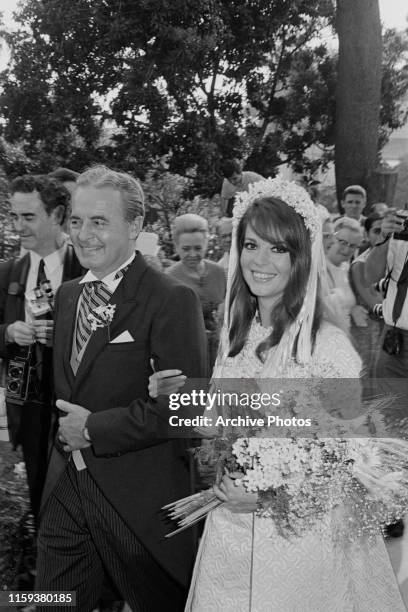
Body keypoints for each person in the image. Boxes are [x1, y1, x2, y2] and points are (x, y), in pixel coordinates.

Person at [150, 178, 405, 611]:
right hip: (230, 531)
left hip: (300, 546)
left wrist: (270, 493)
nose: (260, 261)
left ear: (301, 258)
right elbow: (216, 424)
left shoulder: (327, 347)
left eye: (278, 248)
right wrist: (175, 396)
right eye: (251, 246)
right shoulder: (238, 335)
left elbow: (352, 466)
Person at [35, 166, 208, 611]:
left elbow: (185, 411)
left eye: (99, 221)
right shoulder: (69, 295)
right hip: (65, 487)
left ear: (134, 226)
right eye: (76, 221)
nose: (83, 234)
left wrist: (94, 429)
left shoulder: (171, 300)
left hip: (136, 501)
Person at [0, 174, 83, 522]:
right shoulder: (8, 274)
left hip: (79, 408)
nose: (18, 226)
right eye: (14, 216)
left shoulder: (86, 267)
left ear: (58, 215)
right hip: (30, 410)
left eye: (28, 217)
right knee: (41, 502)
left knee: (81, 502)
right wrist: (8, 333)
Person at [167, 214, 226, 370]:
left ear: (206, 244)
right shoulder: (168, 278)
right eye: (186, 249)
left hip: (219, 351)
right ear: (176, 246)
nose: (192, 254)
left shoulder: (218, 272)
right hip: (186, 354)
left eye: (198, 248)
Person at [325, 217, 366, 331]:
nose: (347, 249)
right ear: (332, 238)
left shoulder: (347, 268)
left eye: (353, 246)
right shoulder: (318, 268)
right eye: (343, 242)